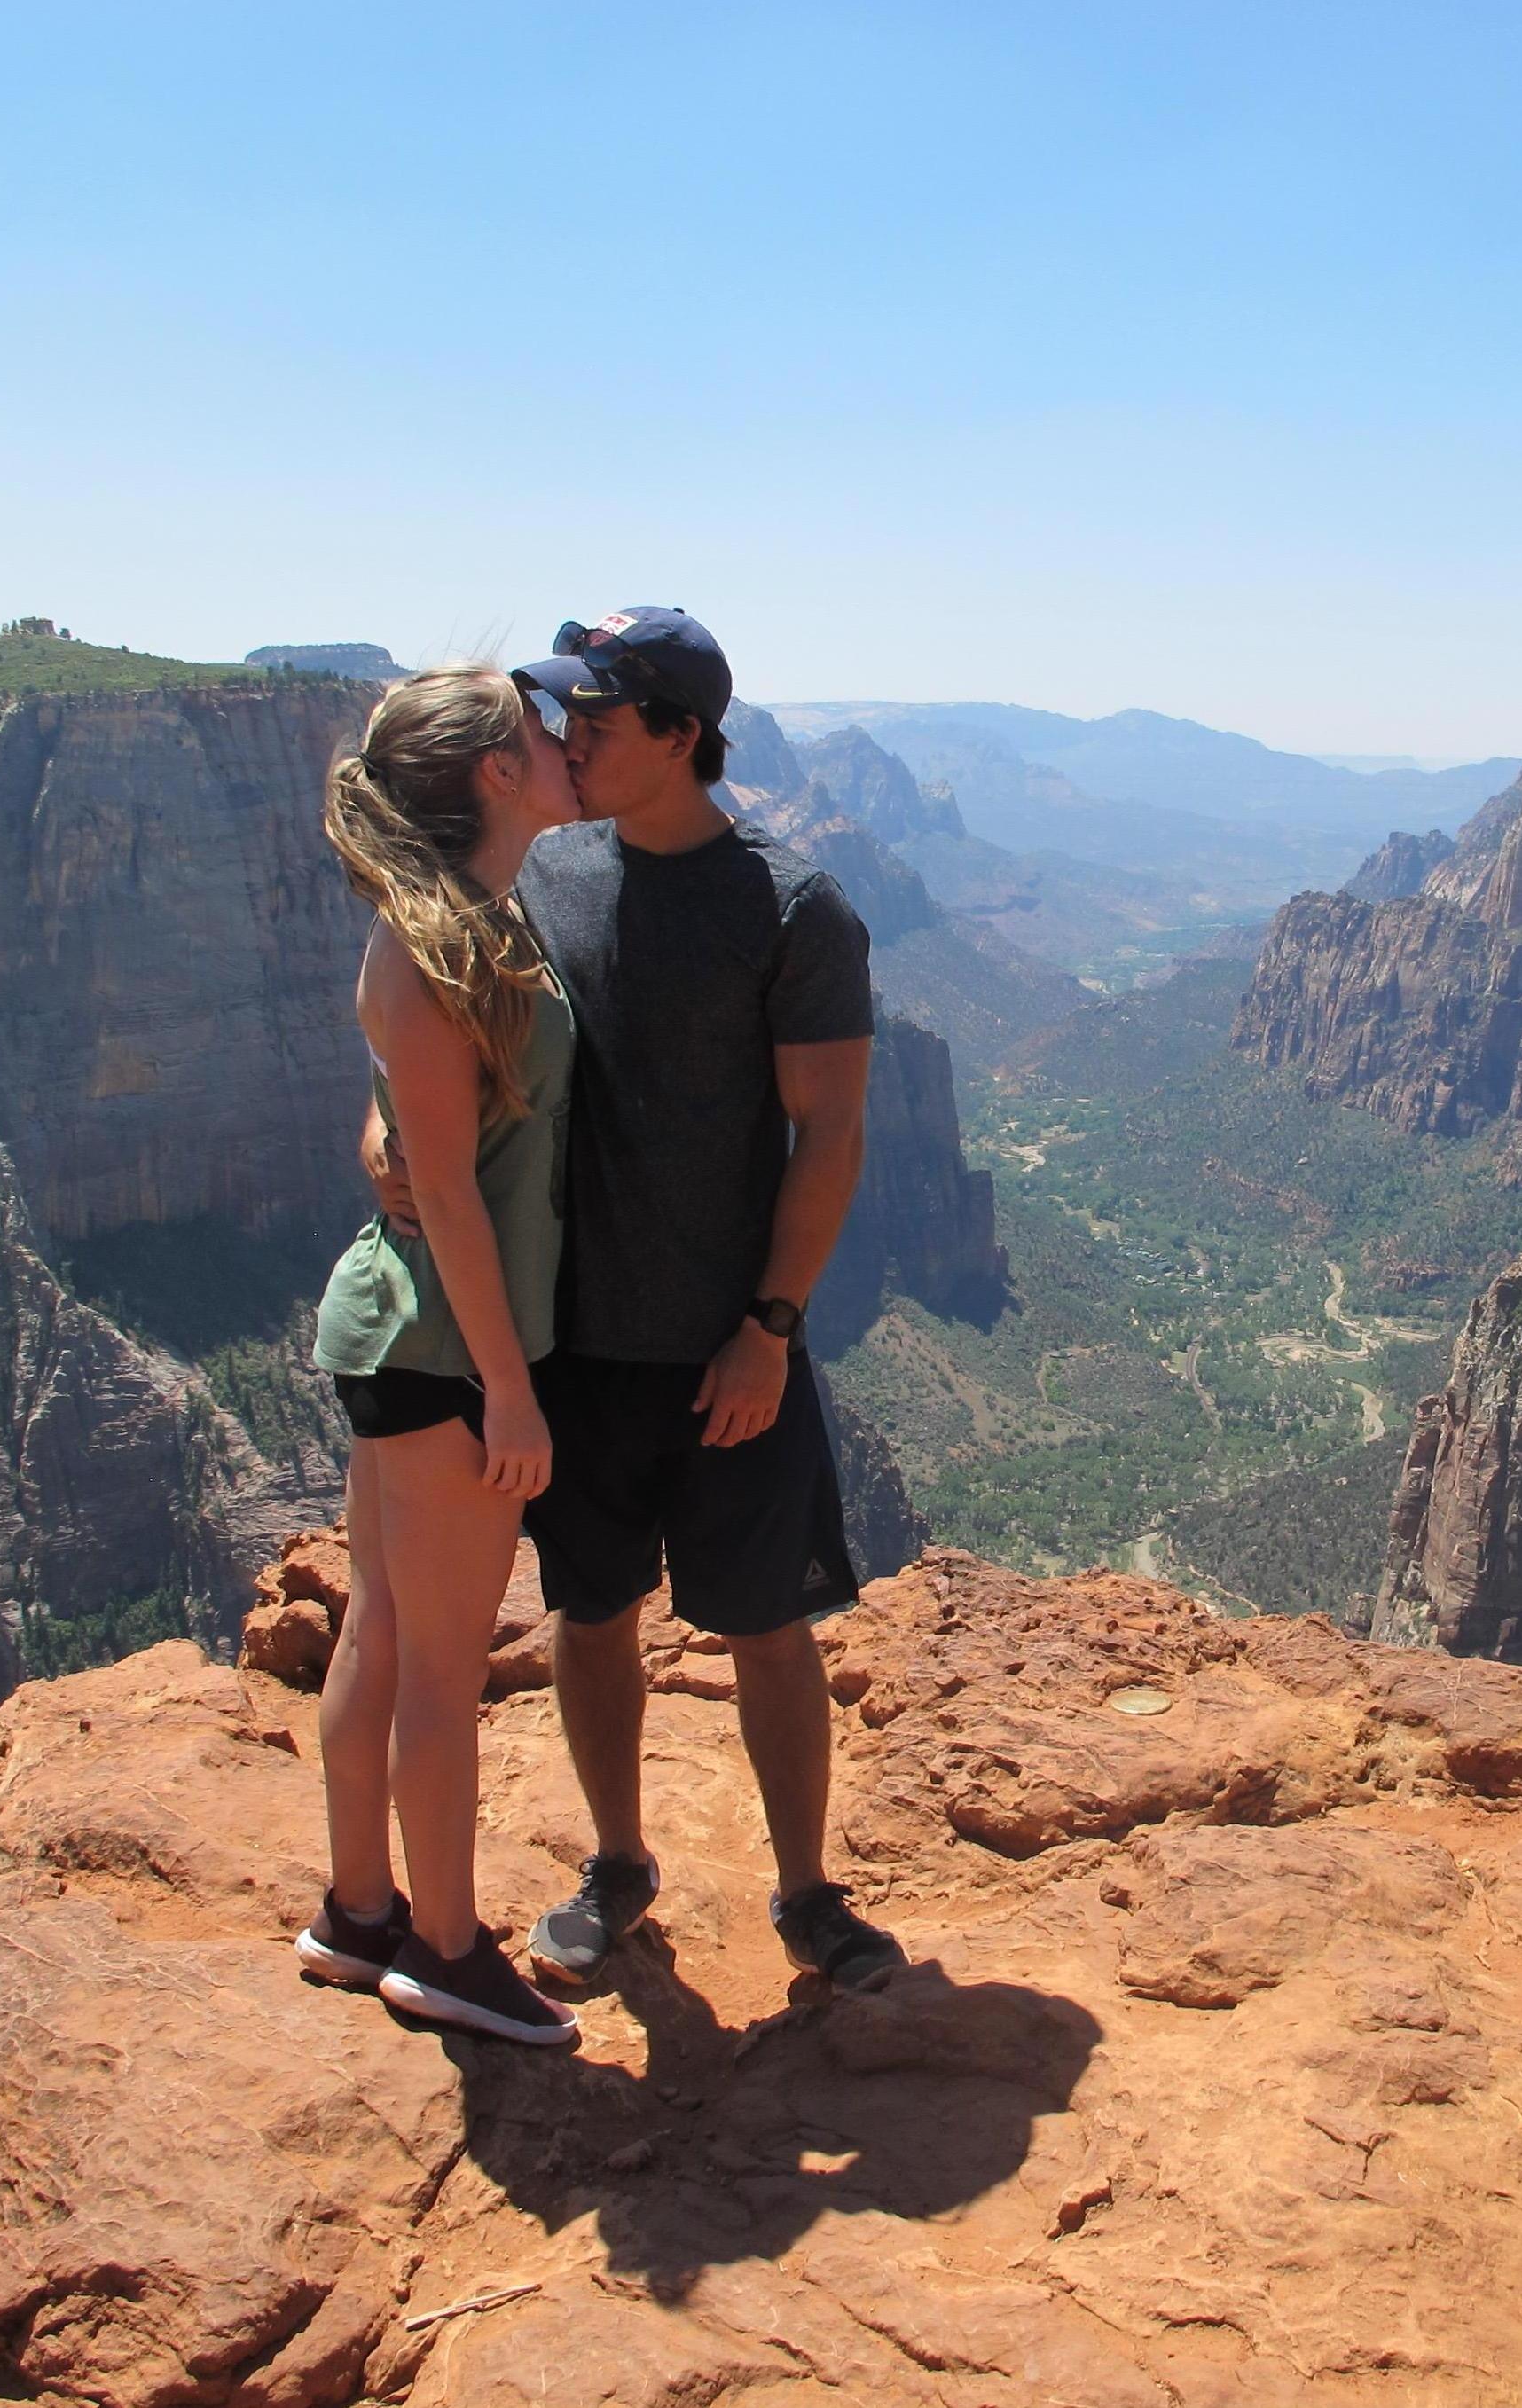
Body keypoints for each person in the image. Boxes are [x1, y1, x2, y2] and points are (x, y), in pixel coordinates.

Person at [365, 608, 906, 1998]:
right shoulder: (552, 876)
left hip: (730, 1349)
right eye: (560, 717)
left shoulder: (793, 910)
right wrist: (384, 1142)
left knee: (765, 1628)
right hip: (575, 1349)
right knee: (592, 1613)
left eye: (597, 720)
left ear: (680, 736)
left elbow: (829, 1135)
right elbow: (451, 1051)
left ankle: (804, 1895)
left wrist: (770, 1329)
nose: (567, 740)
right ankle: (618, 1865)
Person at [297, 667, 583, 2047]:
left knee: (387, 1625)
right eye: (539, 729)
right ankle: (448, 1949)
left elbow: (407, 1129)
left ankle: (359, 1914)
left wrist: (379, 1144)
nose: (564, 737)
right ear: (492, 773)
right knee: (437, 1667)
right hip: (441, 1350)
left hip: (414, 1334)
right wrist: (510, 1388)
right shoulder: (427, 944)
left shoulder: (469, 918)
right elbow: (453, 1193)